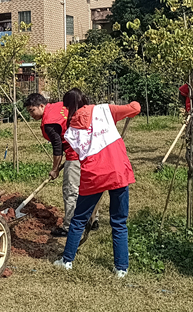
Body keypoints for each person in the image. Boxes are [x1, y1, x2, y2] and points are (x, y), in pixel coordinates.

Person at [54, 89, 141, 278]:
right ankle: (121, 268)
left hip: (93, 175)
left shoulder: (70, 131)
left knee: (78, 219)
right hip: (118, 171)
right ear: (85, 99)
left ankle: (67, 260)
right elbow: (135, 108)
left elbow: (76, 154)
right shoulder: (104, 110)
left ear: (67, 107)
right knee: (119, 221)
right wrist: (132, 105)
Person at [23, 93, 97, 238]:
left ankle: (69, 227)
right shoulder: (58, 105)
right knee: (88, 186)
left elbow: (57, 147)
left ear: (41, 106)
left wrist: (55, 169)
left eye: (32, 110)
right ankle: (92, 220)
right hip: (90, 149)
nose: (31, 115)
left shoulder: (49, 122)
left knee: (71, 191)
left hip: (75, 154)